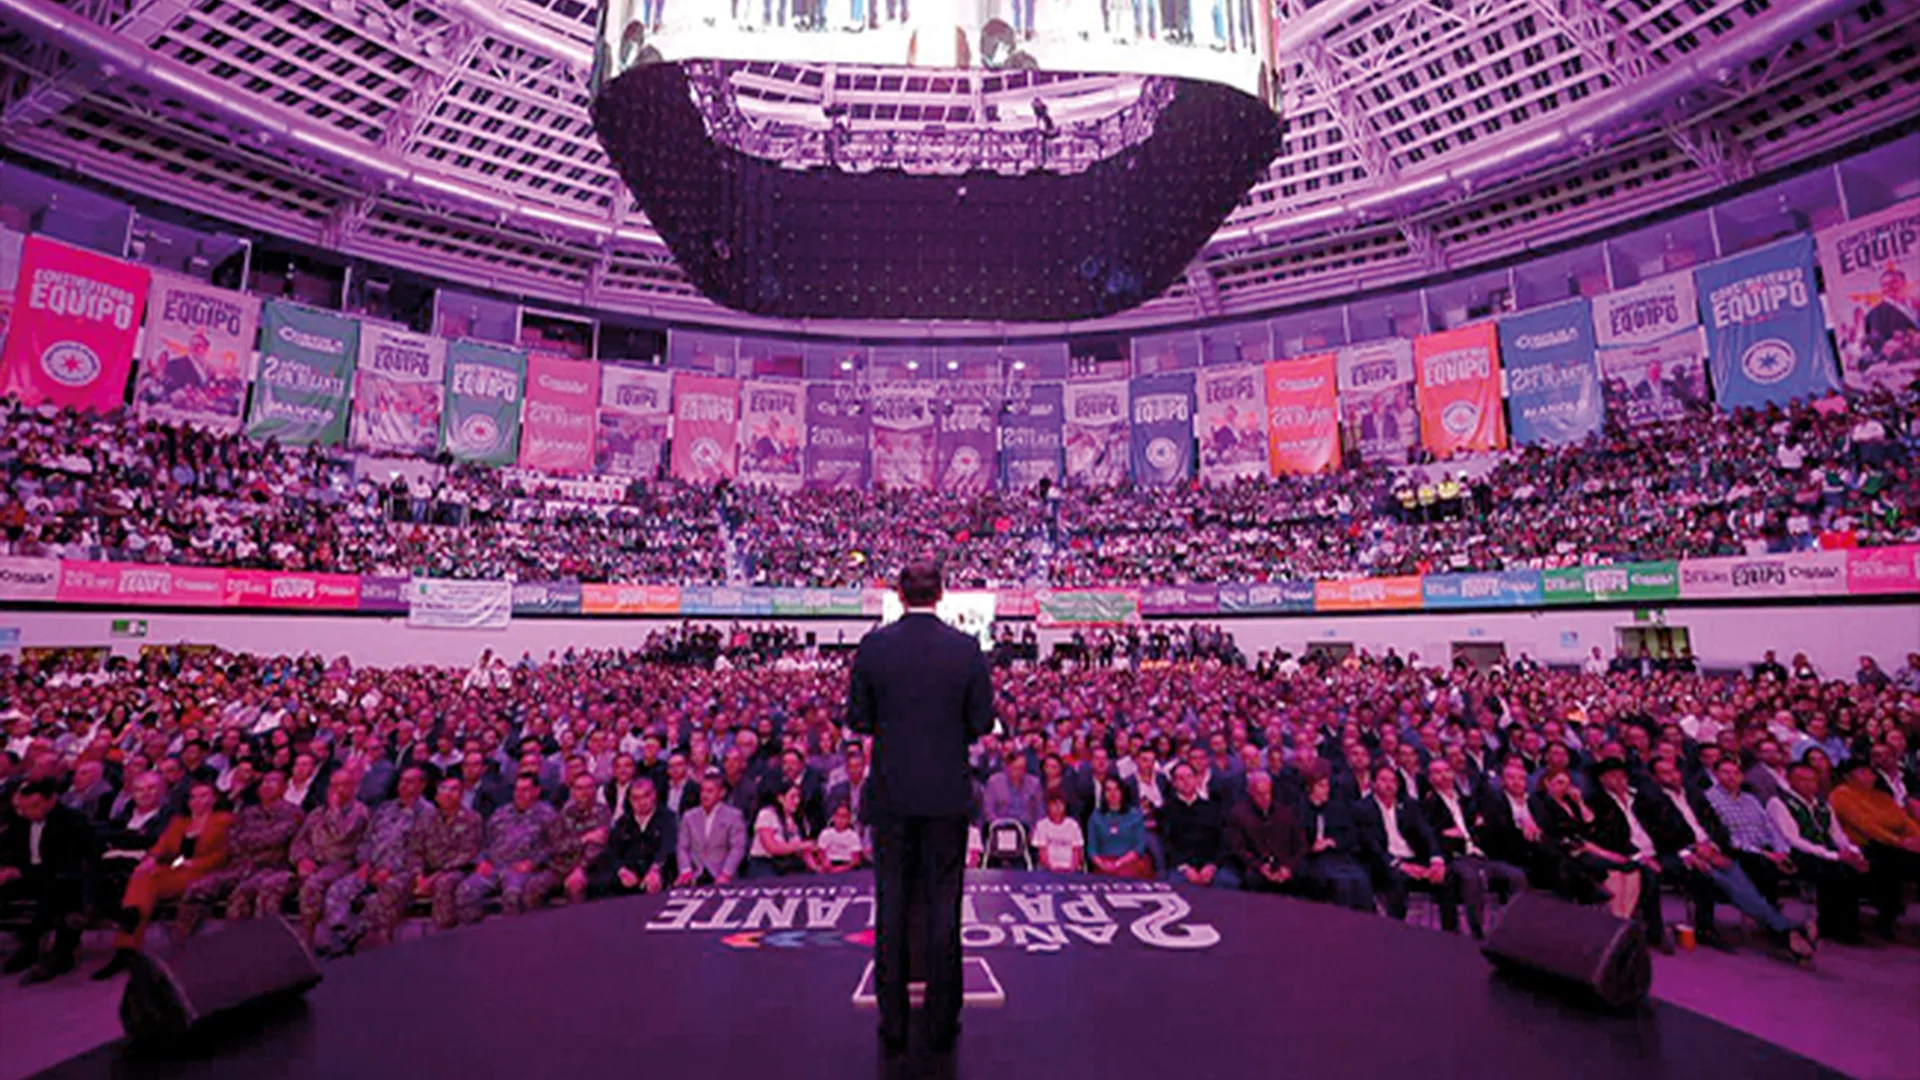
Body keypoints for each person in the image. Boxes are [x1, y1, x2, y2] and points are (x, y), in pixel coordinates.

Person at [845, 560, 995, 1057]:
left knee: (889, 904)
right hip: (946, 794)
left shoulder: (874, 647)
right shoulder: (965, 648)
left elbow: (859, 719)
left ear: (900, 594)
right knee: (943, 906)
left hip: (891, 794)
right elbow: (980, 722)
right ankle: (940, 1019)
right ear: (943, 593)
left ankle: (892, 1022)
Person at [93, 781, 233, 980]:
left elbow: (225, 853)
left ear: (214, 799)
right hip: (175, 870)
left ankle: (127, 939)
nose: (197, 801)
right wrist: (151, 859)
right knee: (142, 877)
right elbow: (162, 846)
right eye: (193, 796)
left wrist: (197, 864)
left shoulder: (225, 820)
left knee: (143, 887)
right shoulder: (179, 822)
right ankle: (126, 944)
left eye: (203, 796)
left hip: (203, 873)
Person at [319, 766, 432, 954]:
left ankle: (363, 940)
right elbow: (367, 838)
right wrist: (365, 863)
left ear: (422, 785)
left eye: (410, 781)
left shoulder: (427, 813)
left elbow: (418, 850)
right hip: (371, 868)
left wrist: (390, 869)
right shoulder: (386, 808)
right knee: (338, 890)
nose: (404, 785)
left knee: (379, 897)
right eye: (402, 780)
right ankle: (342, 935)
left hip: (403, 872)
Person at [177, 769, 303, 933]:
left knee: (243, 894)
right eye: (264, 782)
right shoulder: (247, 813)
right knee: (198, 888)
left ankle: (243, 944)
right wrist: (253, 840)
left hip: (270, 867)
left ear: (284, 787)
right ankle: (186, 941)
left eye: (273, 782)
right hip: (238, 866)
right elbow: (232, 840)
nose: (266, 786)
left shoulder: (293, 813)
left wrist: (247, 839)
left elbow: (276, 838)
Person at [0, 779, 95, 984]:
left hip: (62, 878)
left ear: (51, 801)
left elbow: (68, 860)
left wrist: (23, 872)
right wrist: (8, 867)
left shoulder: (72, 821)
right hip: (29, 876)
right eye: (24, 808)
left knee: (56, 892)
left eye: (34, 806)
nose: (28, 813)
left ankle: (55, 953)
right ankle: (26, 948)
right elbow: (8, 849)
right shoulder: (20, 822)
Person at [1421, 758, 1527, 939]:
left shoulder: (1466, 801)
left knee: (1517, 876)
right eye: (1437, 772)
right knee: (1471, 878)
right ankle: (1477, 935)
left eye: (1447, 770)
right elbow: (1429, 836)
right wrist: (1447, 835)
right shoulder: (1428, 805)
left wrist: (1476, 829)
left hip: (1480, 854)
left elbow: (1481, 827)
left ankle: (1512, 931)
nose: (1444, 775)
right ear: (1430, 778)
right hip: (1455, 857)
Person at [1768, 761, 1870, 943]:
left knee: (1857, 867)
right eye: (1801, 780)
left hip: (1826, 852)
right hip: (1795, 854)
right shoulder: (1779, 802)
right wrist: (1833, 855)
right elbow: (1793, 839)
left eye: (1812, 780)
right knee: (1835, 870)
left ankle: (1847, 924)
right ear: (1789, 780)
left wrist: (1853, 852)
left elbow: (1837, 834)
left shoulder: (1823, 805)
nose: (1808, 784)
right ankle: (1834, 926)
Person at [1830, 757, 1920, 939]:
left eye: (1870, 772)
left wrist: (1916, 838)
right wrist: (1898, 841)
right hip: (1867, 846)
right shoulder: (1841, 795)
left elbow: (1905, 822)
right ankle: (1886, 919)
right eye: (1863, 772)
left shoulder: (1882, 797)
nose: (1870, 776)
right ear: (1849, 776)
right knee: (1891, 866)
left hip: (1896, 845)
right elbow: (1866, 826)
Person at [455, 775, 559, 923]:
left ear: (536, 791)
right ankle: (473, 935)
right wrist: (482, 861)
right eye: (517, 790)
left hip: (520, 869)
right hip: (493, 867)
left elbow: (553, 846)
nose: (519, 794)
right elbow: (484, 842)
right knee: (465, 891)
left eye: (525, 790)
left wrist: (533, 863)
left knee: (512, 894)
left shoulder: (547, 815)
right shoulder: (501, 813)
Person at [1354, 766, 1448, 922]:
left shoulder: (1409, 805)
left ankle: (1450, 933)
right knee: (1397, 879)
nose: (1389, 785)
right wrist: (1400, 865)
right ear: (1373, 784)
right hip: (1384, 863)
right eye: (1383, 780)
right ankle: (1397, 930)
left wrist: (1436, 860)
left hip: (1412, 858)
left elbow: (1427, 833)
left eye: (1393, 781)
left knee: (1445, 877)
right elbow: (1371, 845)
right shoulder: (1363, 808)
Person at [1299, 765, 1372, 911]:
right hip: (1313, 858)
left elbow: (1351, 835)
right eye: (1321, 786)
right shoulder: (1300, 810)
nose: (1326, 790)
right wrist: (1311, 846)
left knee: (1361, 879)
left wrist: (1333, 842)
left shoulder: (1337, 808)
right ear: (1310, 788)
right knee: (1341, 882)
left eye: (1327, 786)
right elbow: (1295, 840)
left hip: (1338, 855)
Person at [418, 776, 485, 930]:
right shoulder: (426, 818)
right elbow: (415, 850)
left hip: (457, 870)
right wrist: (418, 876)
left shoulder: (472, 819)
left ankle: (443, 934)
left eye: (454, 790)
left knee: (444, 883)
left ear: (461, 795)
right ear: (436, 795)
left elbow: (468, 853)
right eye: (444, 789)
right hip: (427, 871)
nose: (448, 794)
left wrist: (435, 877)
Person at [1159, 761, 1237, 889]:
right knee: (1176, 883)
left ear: (1197, 779)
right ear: (1173, 784)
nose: (1186, 782)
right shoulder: (1166, 810)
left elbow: (1223, 840)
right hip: (1181, 867)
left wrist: (1212, 866)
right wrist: (1185, 868)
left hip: (1212, 865)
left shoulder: (1212, 807)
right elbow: (1166, 844)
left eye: (1190, 777)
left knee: (1229, 882)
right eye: (1180, 778)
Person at [1225, 771, 1306, 894]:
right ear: (1250, 793)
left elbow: (1300, 844)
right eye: (1259, 794)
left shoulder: (1286, 814)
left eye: (1267, 793)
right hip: (1255, 867)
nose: (1265, 798)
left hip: (1284, 865)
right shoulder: (1238, 815)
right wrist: (1260, 867)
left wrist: (1288, 867)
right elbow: (1238, 849)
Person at [591, 778, 674, 896]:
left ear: (654, 795)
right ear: (630, 800)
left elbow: (667, 848)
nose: (641, 802)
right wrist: (621, 871)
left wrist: (655, 869)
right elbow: (611, 851)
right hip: (629, 875)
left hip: (658, 873)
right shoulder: (623, 822)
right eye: (636, 798)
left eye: (645, 796)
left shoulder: (667, 819)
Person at [675, 773, 747, 887]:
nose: (704, 795)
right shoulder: (689, 817)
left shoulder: (734, 816)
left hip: (722, 875)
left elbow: (737, 848)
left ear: (722, 793)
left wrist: (726, 874)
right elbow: (682, 847)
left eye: (710, 791)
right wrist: (685, 870)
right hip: (695, 875)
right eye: (703, 791)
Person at [747, 781, 822, 877]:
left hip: (787, 864)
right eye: (793, 797)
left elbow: (804, 850)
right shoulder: (767, 814)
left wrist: (816, 868)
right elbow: (771, 847)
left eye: (798, 797)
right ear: (781, 798)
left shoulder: (799, 819)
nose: (797, 801)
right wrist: (800, 846)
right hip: (764, 863)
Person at [1086, 776, 1152, 879]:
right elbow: (1091, 850)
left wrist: (1119, 863)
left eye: (1116, 789)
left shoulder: (1134, 815)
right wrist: (1102, 864)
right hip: (1104, 864)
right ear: (1103, 794)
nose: (1113, 794)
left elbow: (1139, 846)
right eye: (1108, 790)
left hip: (1129, 862)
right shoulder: (1096, 817)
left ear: (1122, 792)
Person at [1031, 793, 1085, 873]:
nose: (1058, 808)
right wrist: (1052, 869)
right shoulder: (1041, 825)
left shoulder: (1073, 825)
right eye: (1054, 804)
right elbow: (1042, 854)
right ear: (1048, 806)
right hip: (1048, 870)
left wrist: (1071, 869)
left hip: (1070, 870)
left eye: (1061, 804)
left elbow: (1077, 851)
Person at [816, 801, 867, 872]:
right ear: (833, 817)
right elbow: (821, 852)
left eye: (844, 817)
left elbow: (856, 859)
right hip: (830, 863)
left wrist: (842, 868)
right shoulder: (826, 833)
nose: (840, 820)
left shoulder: (853, 835)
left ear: (849, 819)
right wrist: (825, 863)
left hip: (847, 865)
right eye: (838, 816)